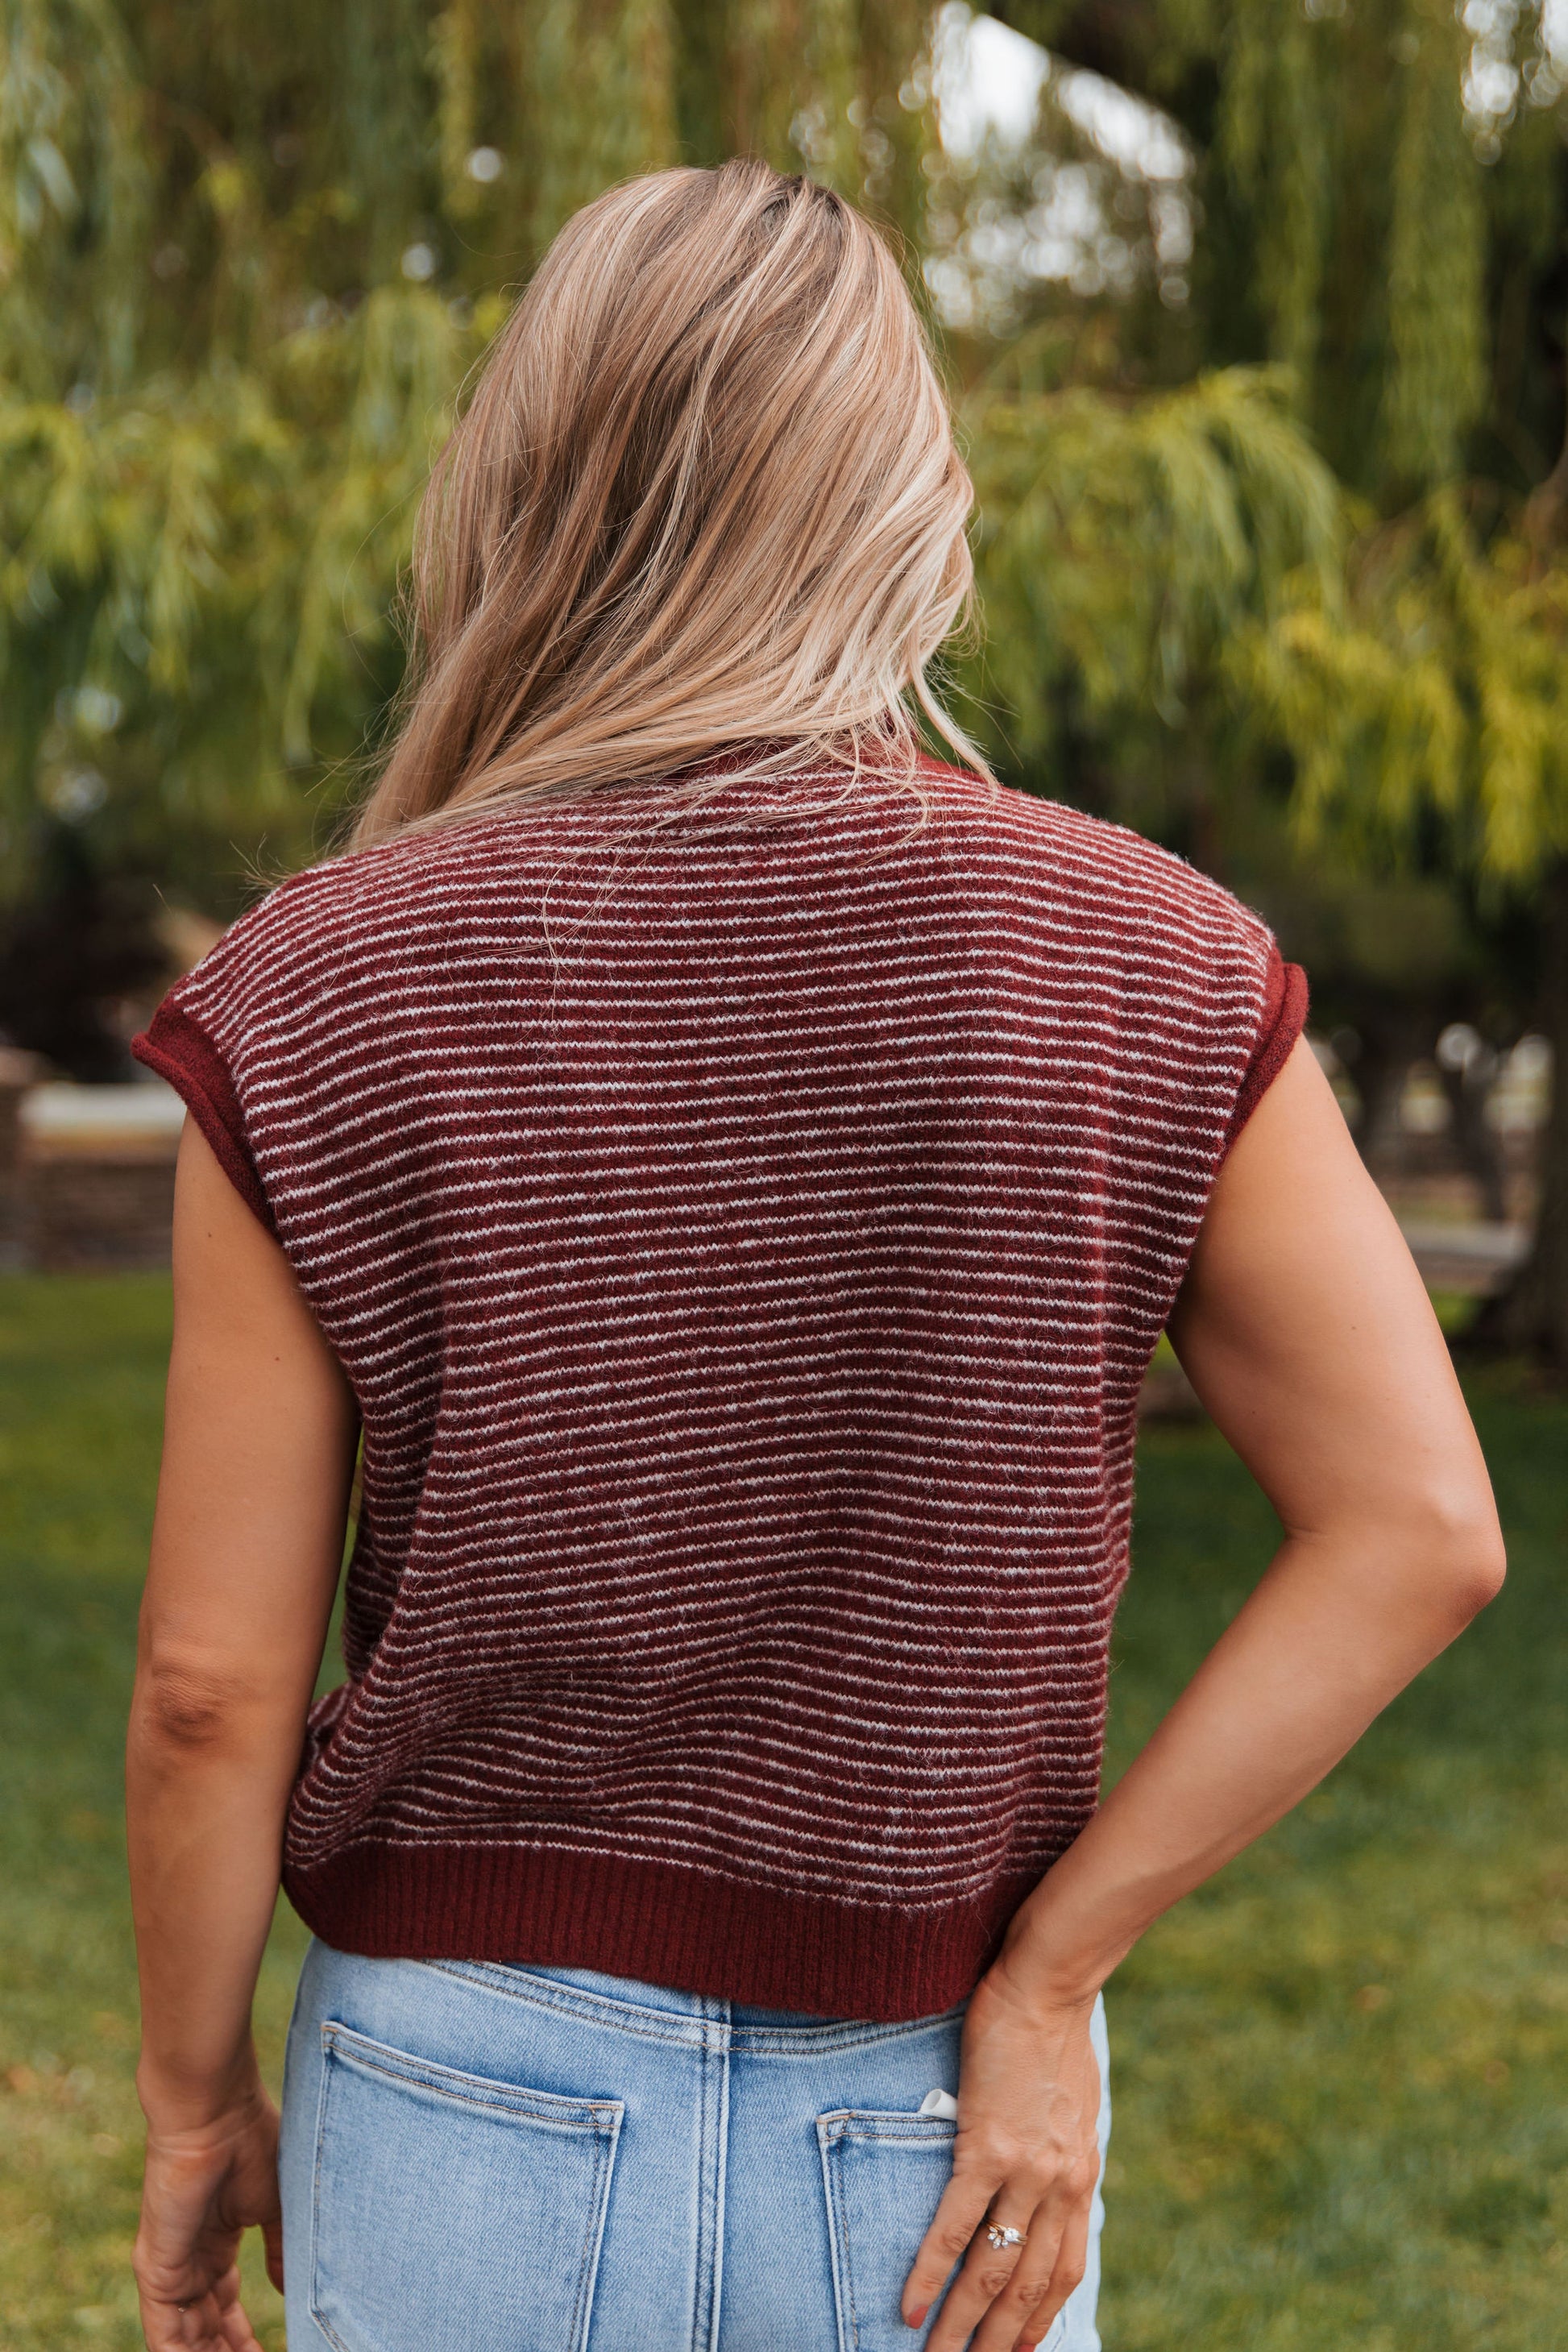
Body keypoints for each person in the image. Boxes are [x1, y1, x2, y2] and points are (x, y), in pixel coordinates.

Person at [124, 160, 1504, 2352]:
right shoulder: (1143, 958)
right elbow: (1416, 1528)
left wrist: (195, 2109)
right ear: (914, 513)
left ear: (519, 501)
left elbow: (212, 1691)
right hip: (938, 2115)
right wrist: (1054, 1972)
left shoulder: (321, 985)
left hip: (458, 2094)